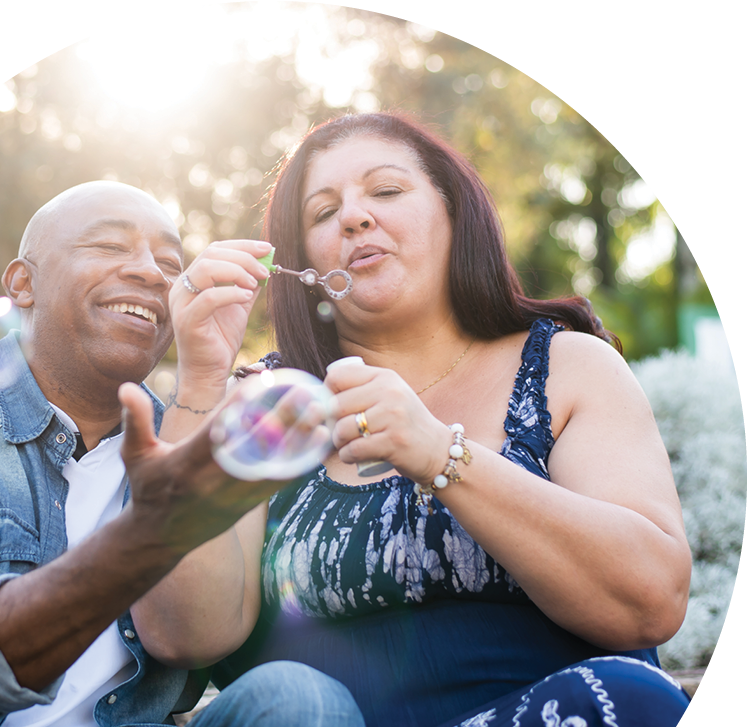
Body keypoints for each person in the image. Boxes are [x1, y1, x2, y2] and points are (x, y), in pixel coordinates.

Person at [154, 114, 694, 726]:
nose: (354, 218)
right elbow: (184, 636)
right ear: (303, 262)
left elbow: (650, 602)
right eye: (323, 212)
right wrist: (199, 382)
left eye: (385, 191)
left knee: (630, 698)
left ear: (454, 212)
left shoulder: (567, 368)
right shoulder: (265, 404)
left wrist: (442, 455)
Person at [0, 180, 365, 727]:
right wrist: (145, 536)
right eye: (110, 247)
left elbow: (197, 639)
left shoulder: (184, 441)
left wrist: (206, 378)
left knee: (298, 699)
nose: (150, 272)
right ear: (23, 284)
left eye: (169, 261)